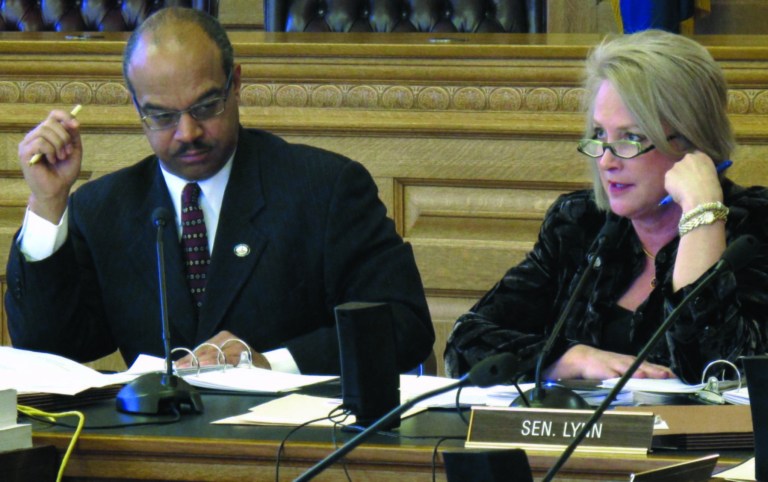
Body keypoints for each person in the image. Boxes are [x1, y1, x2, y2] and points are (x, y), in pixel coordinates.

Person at [5, 7, 434, 375]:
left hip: (299, 447)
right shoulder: (104, 210)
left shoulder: (325, 189)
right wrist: (48, 203)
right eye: (162, 116)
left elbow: (404, 325)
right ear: (137, 107)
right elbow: (50, 350)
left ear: (236, 84)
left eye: (207, 107)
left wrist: (269, 363)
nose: (188, 132)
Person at [445, 30, 768, 384]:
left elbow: (717, 372)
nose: (607, 161)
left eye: (631, 138)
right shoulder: (581, 224)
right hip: (577, 439)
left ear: (693, 141)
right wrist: (570, 359)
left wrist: (703, 215)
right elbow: (466, 342)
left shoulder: (755, 229)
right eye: (600, 135)